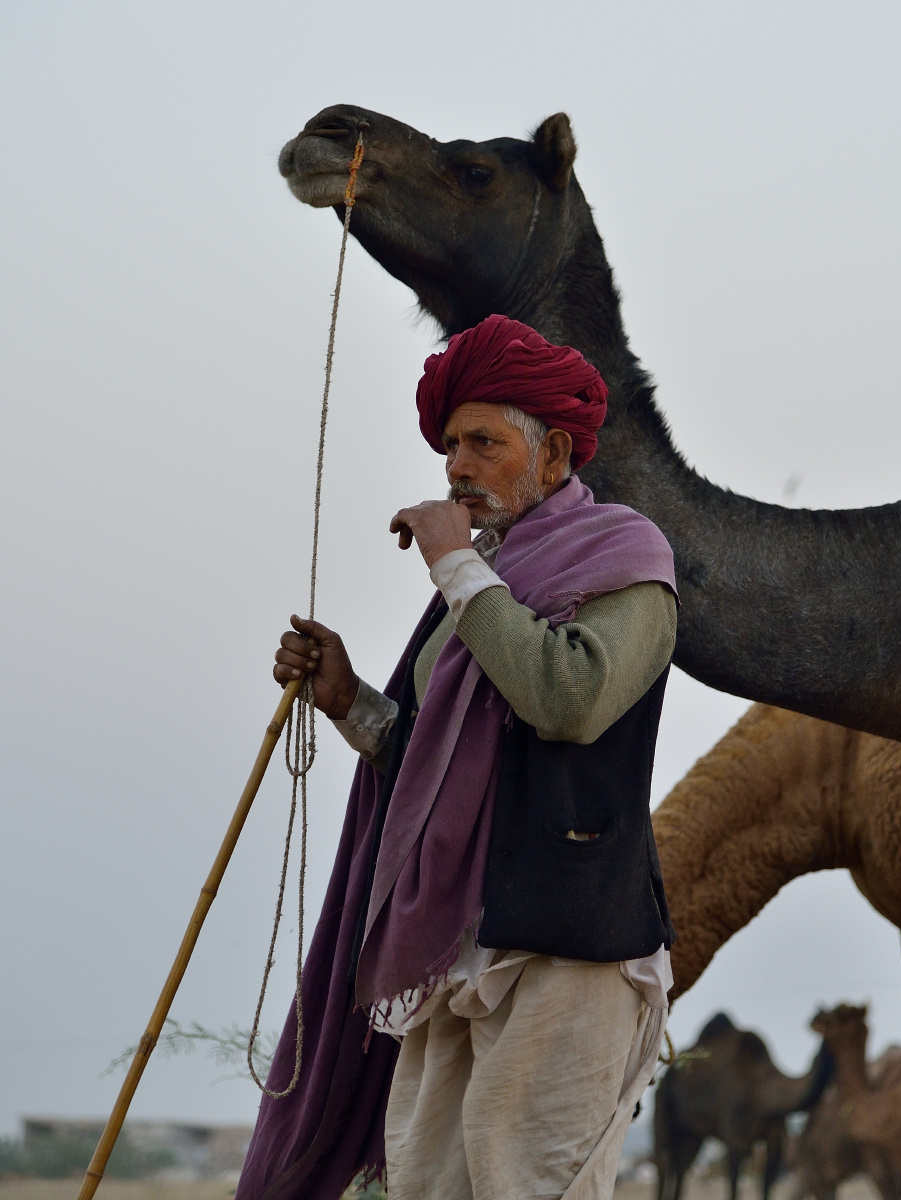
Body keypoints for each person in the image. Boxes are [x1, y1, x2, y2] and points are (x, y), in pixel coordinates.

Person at [236, 315, 678, 1200]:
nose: (457, 469)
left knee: (530, 1184)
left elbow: (567, 698)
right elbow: (433, 763)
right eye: (449, 447)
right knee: (429, 1184)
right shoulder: (480, 586)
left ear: (554, 455)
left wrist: (456, 565)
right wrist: (350, 700)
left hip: (569, 950)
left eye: (484, 443)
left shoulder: (626, 557)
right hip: (452, 945)